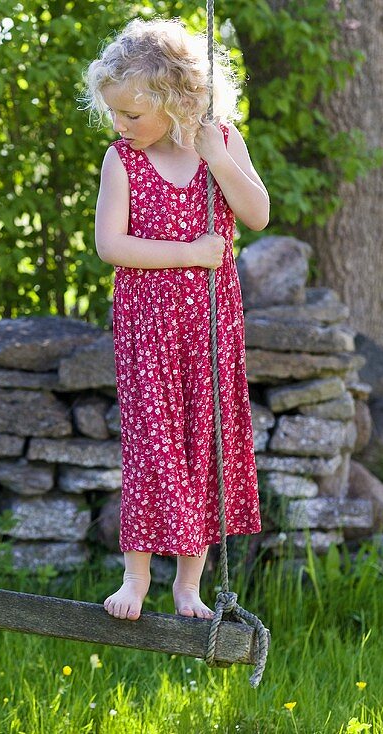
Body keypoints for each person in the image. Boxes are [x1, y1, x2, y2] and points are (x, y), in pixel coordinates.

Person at [82, 17, 269, 621]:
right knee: (151, 444)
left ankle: (188, 584)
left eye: (132, 114)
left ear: (178, 99)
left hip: (211, 329)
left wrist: (218, 158)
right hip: (147, 329)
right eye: (115, 113)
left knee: (203, 443)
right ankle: (136, 576)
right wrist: (189, 254)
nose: (120, 125)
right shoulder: (122, 162)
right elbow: (112, 245)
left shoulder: (222, 143)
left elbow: (258, 215)